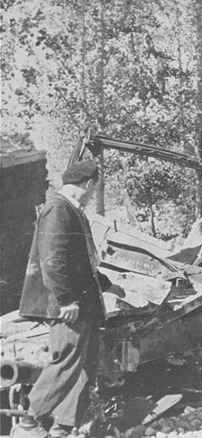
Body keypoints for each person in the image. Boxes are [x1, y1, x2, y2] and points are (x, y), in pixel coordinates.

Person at [14, 161, 121, 438]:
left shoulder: (73, 211)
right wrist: (65, 301)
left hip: (83, 304)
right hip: (67, 307)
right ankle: (29, 423)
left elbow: (81, 263)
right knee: (67, 360)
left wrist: (109, 286)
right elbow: (53, 260)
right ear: (89, 184)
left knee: (86, 365)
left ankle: (61, 427)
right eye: (94, 188)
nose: (92, 194)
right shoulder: (58, 210)